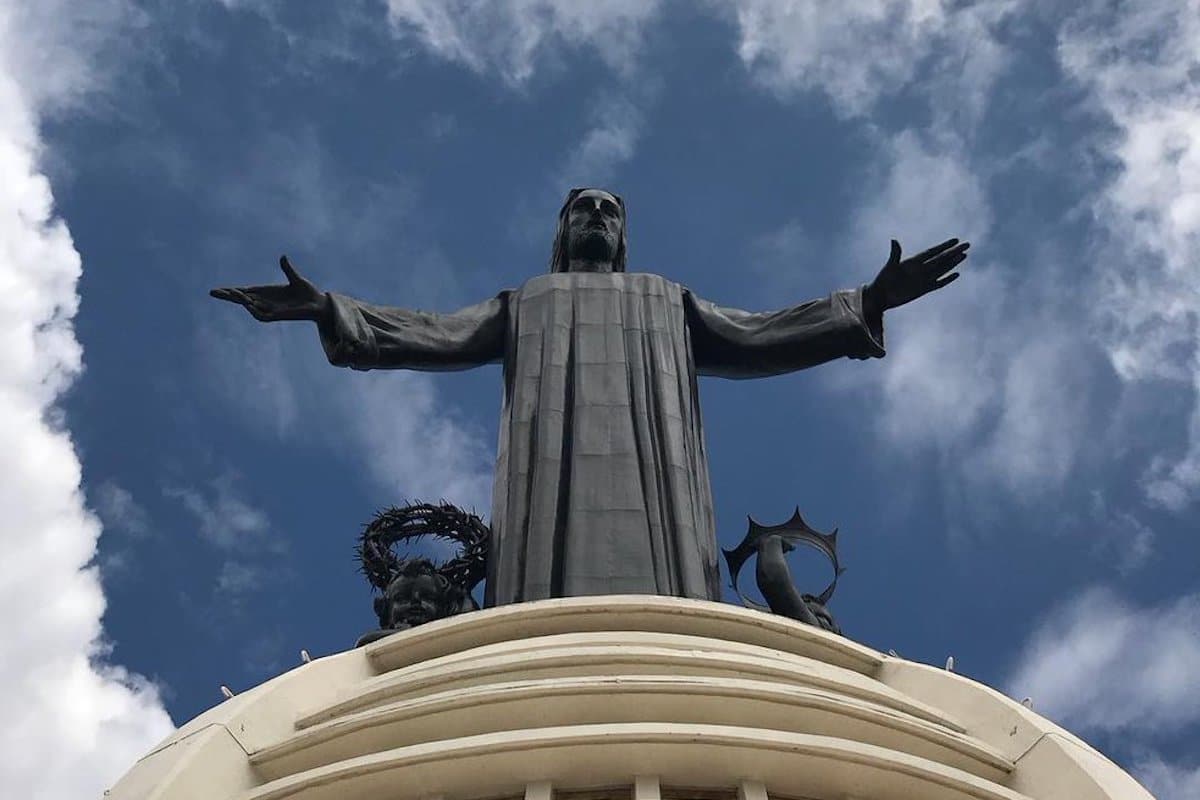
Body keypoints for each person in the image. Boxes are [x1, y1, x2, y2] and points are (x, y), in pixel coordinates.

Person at [213, 187, 968, 607]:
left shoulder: (666, 301)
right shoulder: (528, 302)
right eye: (583, 211)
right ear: (562, 233)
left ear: (624, 237)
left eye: (611, 212)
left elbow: (759, 334)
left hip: (662, 487)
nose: (598, 219)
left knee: (670, 581)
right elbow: (434, 332)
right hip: (546, 484)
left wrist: (866, 303)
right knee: (545, 567)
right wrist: (332, 310)